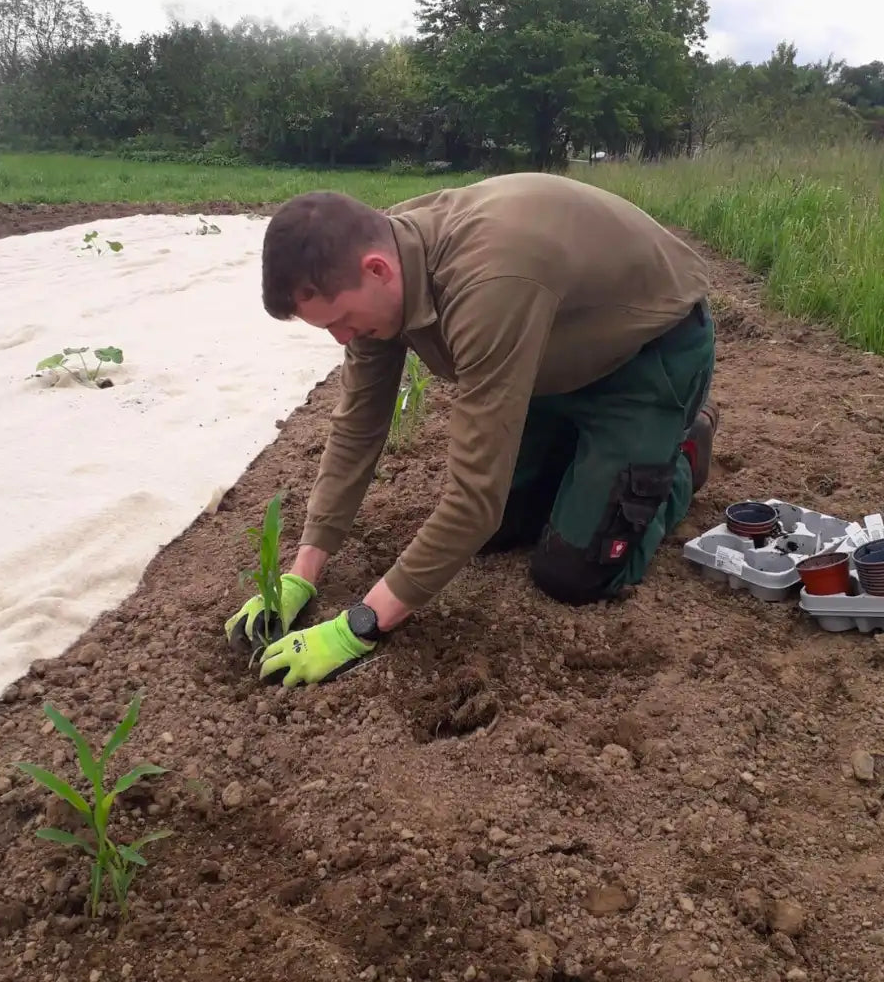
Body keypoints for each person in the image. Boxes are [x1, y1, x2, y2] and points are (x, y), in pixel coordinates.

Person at [224, 172, 719, 688]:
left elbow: (474, 501)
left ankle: (681, 450)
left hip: (646, 357)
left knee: (572, 572)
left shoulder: (486, 284)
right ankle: (587, 462)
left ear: (377, 269)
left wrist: (358, 627)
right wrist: (300, 576)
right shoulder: (375, 269)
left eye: (341, 321)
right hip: (549, 362)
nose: (341, 338)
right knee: (500, 530)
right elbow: (357, 430)